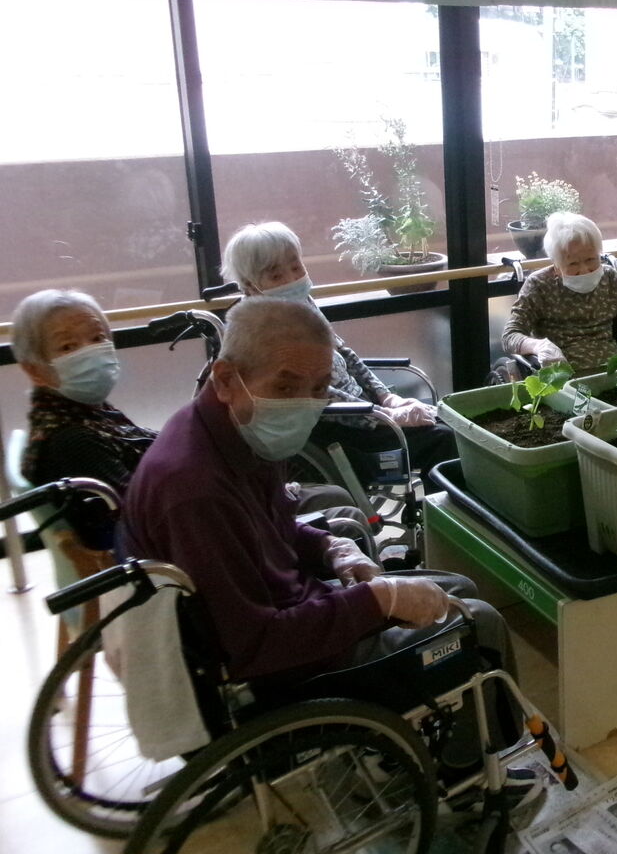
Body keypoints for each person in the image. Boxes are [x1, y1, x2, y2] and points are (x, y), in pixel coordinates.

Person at [121, 299, 528, 786]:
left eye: (317, 389)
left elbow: (271, 524)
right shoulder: (193, 490)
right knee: (478, 624)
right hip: (280, 671)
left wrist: (329, 548)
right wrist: (377, 601)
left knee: (456, 587)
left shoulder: (234, 429)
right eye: (286, 386)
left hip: (292, 612)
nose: (304, 405)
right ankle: (468, 778)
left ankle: (431, 740)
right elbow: (254, 645)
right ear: (226, 378)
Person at [12, 289, 367, 549]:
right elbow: (143, 518)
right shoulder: (73, 440)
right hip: (182, 546)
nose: (90, 351)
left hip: (204, 521)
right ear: (35, 369)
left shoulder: (91, 415)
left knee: (329, 498)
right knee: (342, 516)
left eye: (97, 337)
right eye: (68, 347)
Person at [222, 221, 457, 482]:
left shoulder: (301, 304)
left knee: (451, 421)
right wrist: (384, 416)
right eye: (276, 276)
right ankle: (444, 505)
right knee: (445, 439)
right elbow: (314, 395)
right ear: (250, 285)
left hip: (365, 409)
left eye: (296, 267)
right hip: (339, 427)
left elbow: (345, 353)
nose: (292, 279)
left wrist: (387, 397)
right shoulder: (261, 333)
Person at [500, 211, 617, 374]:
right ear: (556, 266)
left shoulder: (608, 278)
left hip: (613, 375)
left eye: (591, 259)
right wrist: (538, 346)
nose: (584, 269)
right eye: (573, 263)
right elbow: (510, 336)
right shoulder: (539, 284)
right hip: (561, 378)